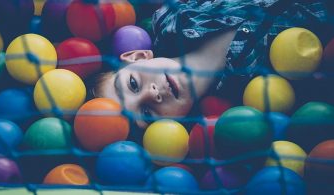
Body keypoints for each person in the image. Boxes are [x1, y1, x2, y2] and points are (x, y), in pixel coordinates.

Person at [92, 0, 333, 129]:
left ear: (137, 57)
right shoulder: (246, 101)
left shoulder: (171, 18)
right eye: (147, 114)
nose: (151, 94)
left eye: (133, 84)